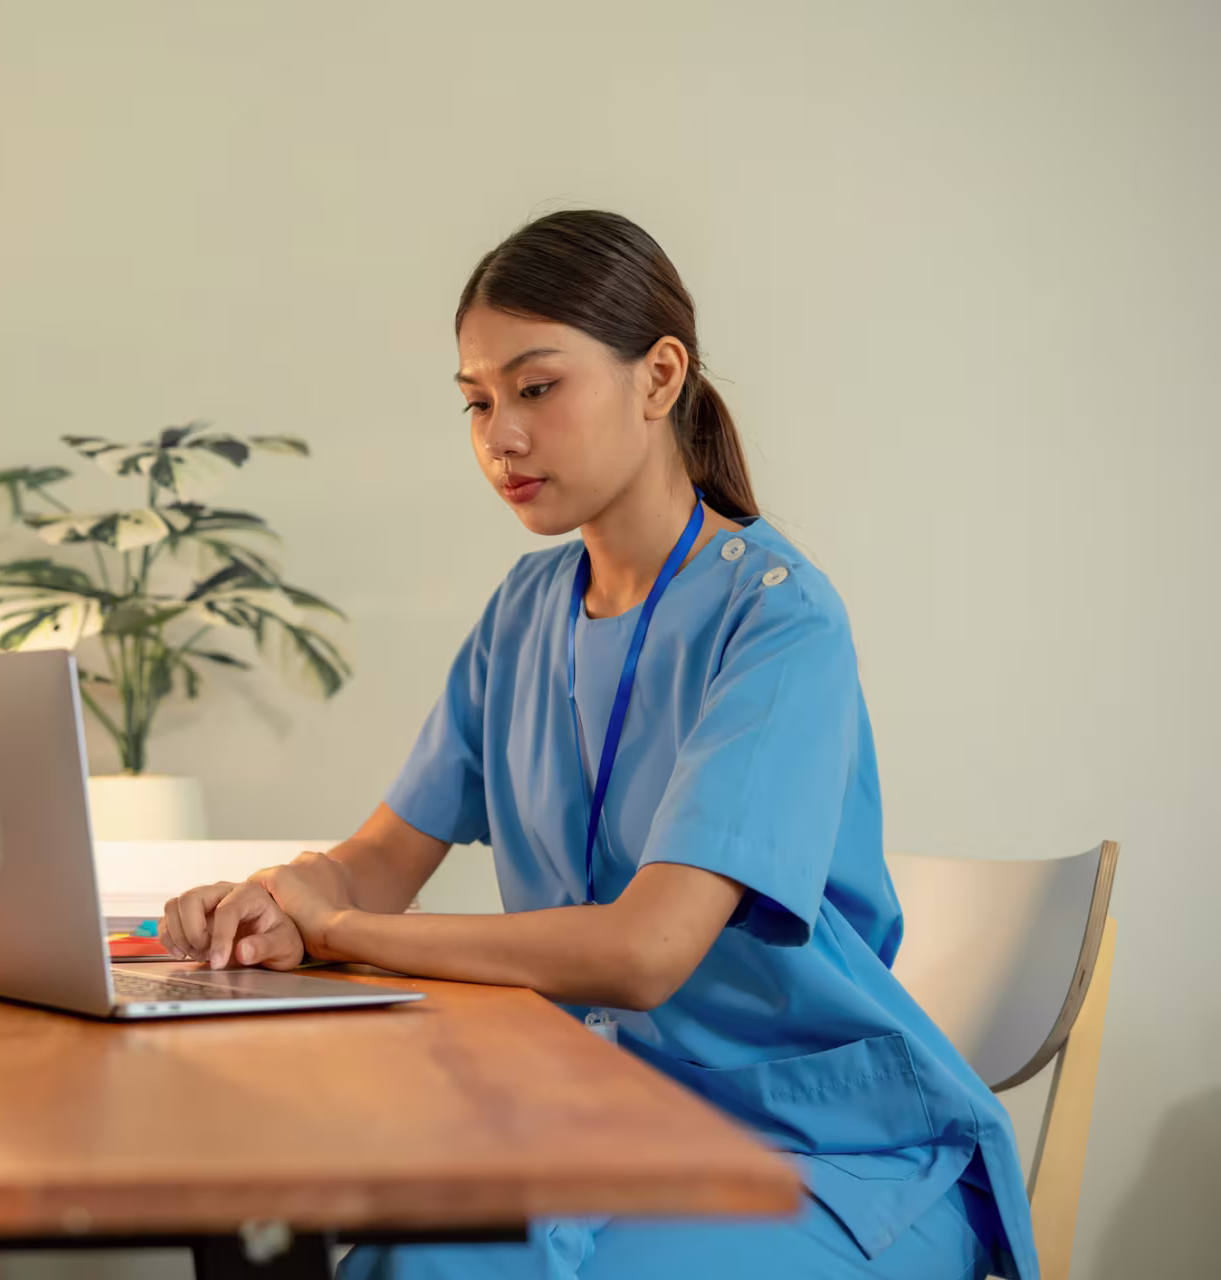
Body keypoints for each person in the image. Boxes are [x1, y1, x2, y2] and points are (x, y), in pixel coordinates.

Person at [158, 211, 1034, 1279]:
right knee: (410, 1260)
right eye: (477, 401)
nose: (500, 436)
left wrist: (339, 928)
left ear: (659, 376)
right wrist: (279, 897)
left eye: (537, 388)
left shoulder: (780, 620)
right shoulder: (525, 611)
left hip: (815, 1153)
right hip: (592, 1118)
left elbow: (642, 953)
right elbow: (384, 857)